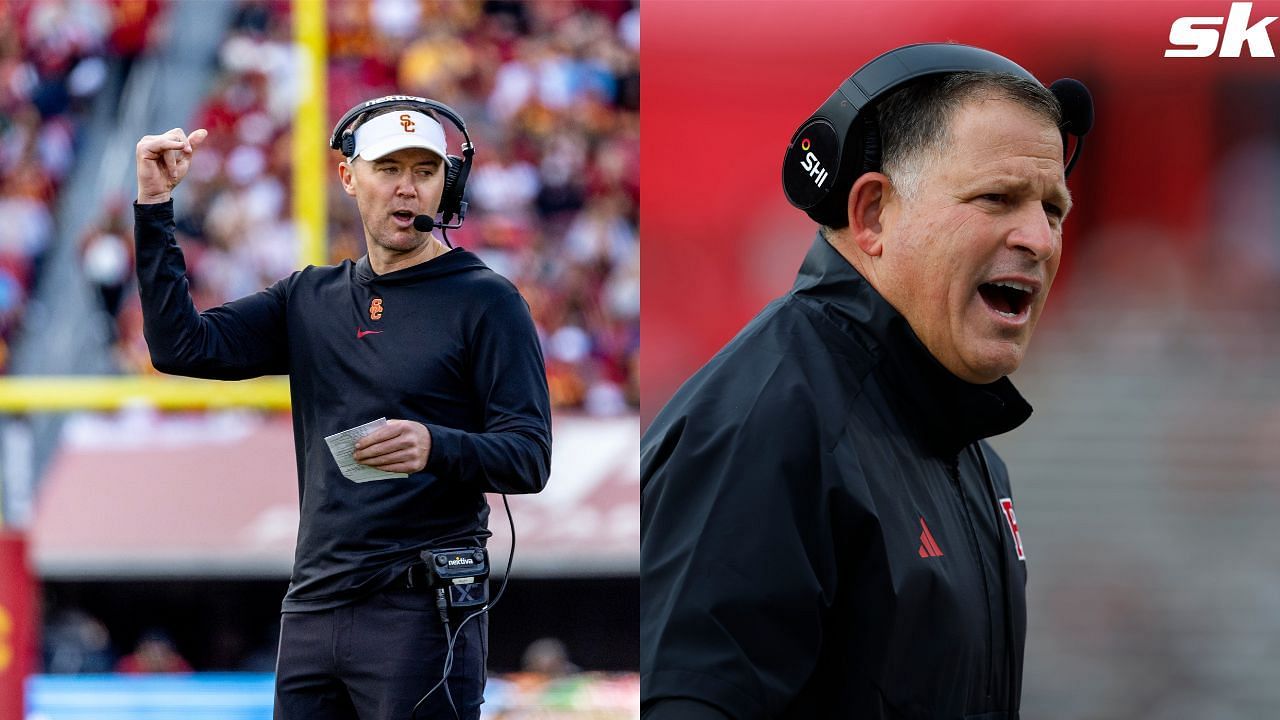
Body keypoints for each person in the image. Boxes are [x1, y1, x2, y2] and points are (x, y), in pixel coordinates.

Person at [640, 45, 1090, 718]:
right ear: (873, 213)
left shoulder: (967, 451)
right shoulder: (769, 425)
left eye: (1053, 210)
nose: (1042, 240)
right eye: (997, 198)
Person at [133, 96, 552, 719]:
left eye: (425, 171)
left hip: (419, 612)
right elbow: (181, 346)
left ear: (448, 184)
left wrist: (436, 445)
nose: (407, 188)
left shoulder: (487, 301)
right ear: (349, 176)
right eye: (389, 169)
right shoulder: (311, 297)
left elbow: (529, 457)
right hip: (312, 606)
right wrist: (154, 208)